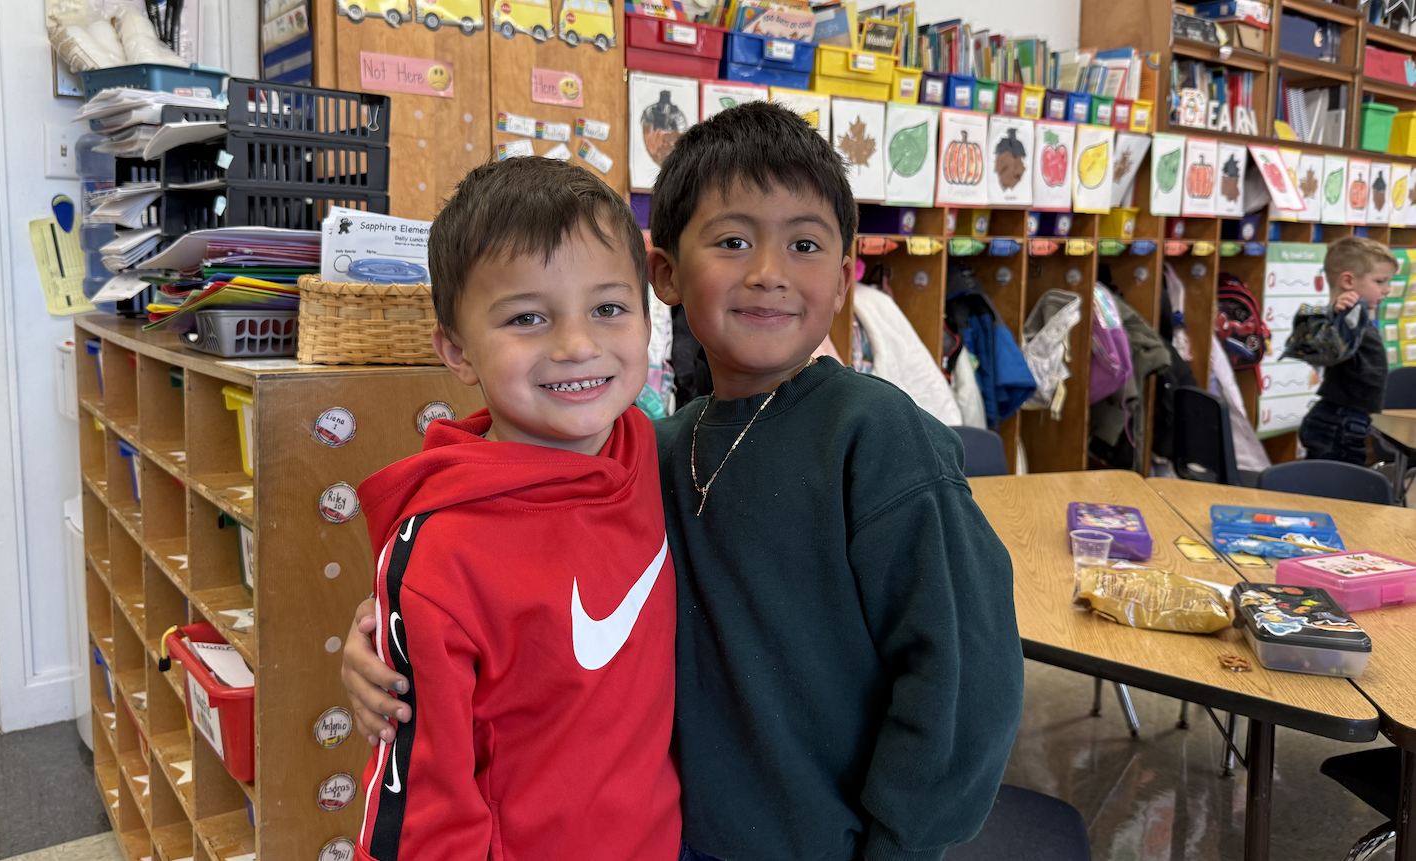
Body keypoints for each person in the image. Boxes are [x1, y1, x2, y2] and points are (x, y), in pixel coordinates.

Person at [343, 102, 1025, 861]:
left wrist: (898, 844)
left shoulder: (875, 436)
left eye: (804, 243)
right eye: (733, 240)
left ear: (843, 281)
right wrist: (386, 636)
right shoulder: (648, 448)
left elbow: (967, 680)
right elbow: (501, 534)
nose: (768, 272)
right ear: (666, 275)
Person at [348, 157, 680, 861]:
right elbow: (422, 814)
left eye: (609, 308)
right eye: (526, 317)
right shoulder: (443, 554)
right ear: (457, 350)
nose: (577, 344)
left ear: (649, 318)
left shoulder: (641, 445)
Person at [1299, 235, 1398, 464]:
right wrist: (1335, 314)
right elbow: (1322, 348)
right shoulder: (1344, 318)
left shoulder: (1356, 316)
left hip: (1346, 418)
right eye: (1380, 281)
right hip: (1340, 420)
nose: (1387, 290)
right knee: (1336, 491)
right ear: (1348, 281)